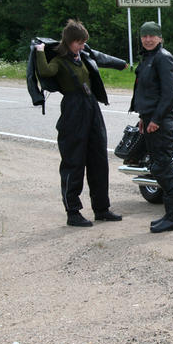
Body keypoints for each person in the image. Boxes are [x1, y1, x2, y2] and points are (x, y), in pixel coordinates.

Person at [34, 19, 127, 227]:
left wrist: (120, 63)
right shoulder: (59, 60)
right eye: (78, 42)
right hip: (73, 108)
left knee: (98, 159)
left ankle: (101, 209)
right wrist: (39, 51)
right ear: (68, 41)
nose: (82, 46)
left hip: (91, 105)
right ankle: (73, 212)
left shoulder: (82, 55)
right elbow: (46, 72)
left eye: (83, 42)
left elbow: (100, 57)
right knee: (74, 161)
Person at [129, 21, 173, 233]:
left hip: (161, 122)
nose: (148, 39)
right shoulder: (148, 58)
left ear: (160, 37)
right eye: (145, 36)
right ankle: (171, 215)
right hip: (150, 119)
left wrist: (156, 119)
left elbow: (170, 94)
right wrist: (144, 117)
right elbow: (147, 92)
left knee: (163, 167)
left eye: (152, 36)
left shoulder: (163, 58)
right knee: (159, 166)